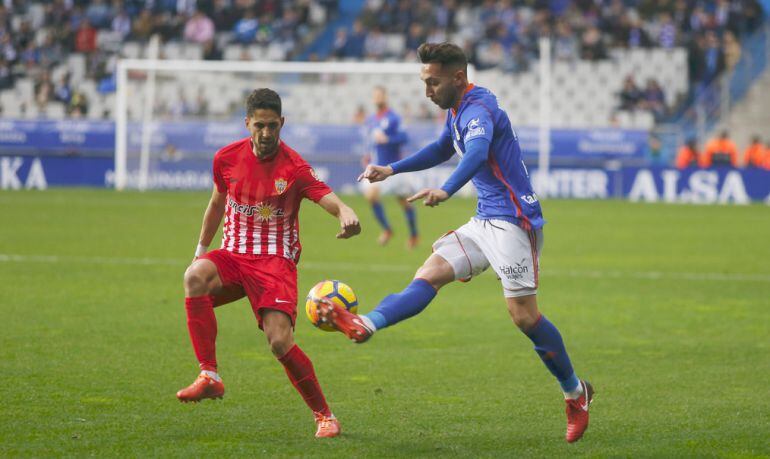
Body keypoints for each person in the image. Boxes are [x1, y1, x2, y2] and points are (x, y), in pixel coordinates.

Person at [317, 42, 594, 443]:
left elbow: (477, 153)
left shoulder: (479, 110)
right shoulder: (457, 109)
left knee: (524, 318)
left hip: (514, 222)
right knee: (430, 272)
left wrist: (446, 189)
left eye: (433, 82)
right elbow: (442, 147)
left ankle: (575, 393)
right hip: (485, 219)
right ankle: (367, 322)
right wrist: (391, 169)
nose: (427, 90)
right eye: (424, 82)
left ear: (458, 77)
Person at [176, 88, 361, 438]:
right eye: (259, 125)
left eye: (272, 126)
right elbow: (216, 204)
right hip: (233, 255)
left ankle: (325, 416)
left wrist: (345, 213)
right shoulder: (226, 158)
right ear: (247, 123)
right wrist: (201, 250)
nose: (265, 133)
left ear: (282, 123)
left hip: (274, 263)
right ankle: (209, 375)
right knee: (194, 276)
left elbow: (328, 197)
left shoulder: (294, 167)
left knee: (279, 341)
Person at [361, 86, 418, 248]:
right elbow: (370, 142)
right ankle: (387, 229)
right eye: (375, 95)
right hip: (377, 167)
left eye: (380, 95)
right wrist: (367, 155)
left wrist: (388, 139)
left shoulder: (394, 118)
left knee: (405, 202)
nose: (377, 98)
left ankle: (414, 234)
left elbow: (404, 138)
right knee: (371, 196)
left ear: (385, 97)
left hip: (394, 168)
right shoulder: (371, 120)